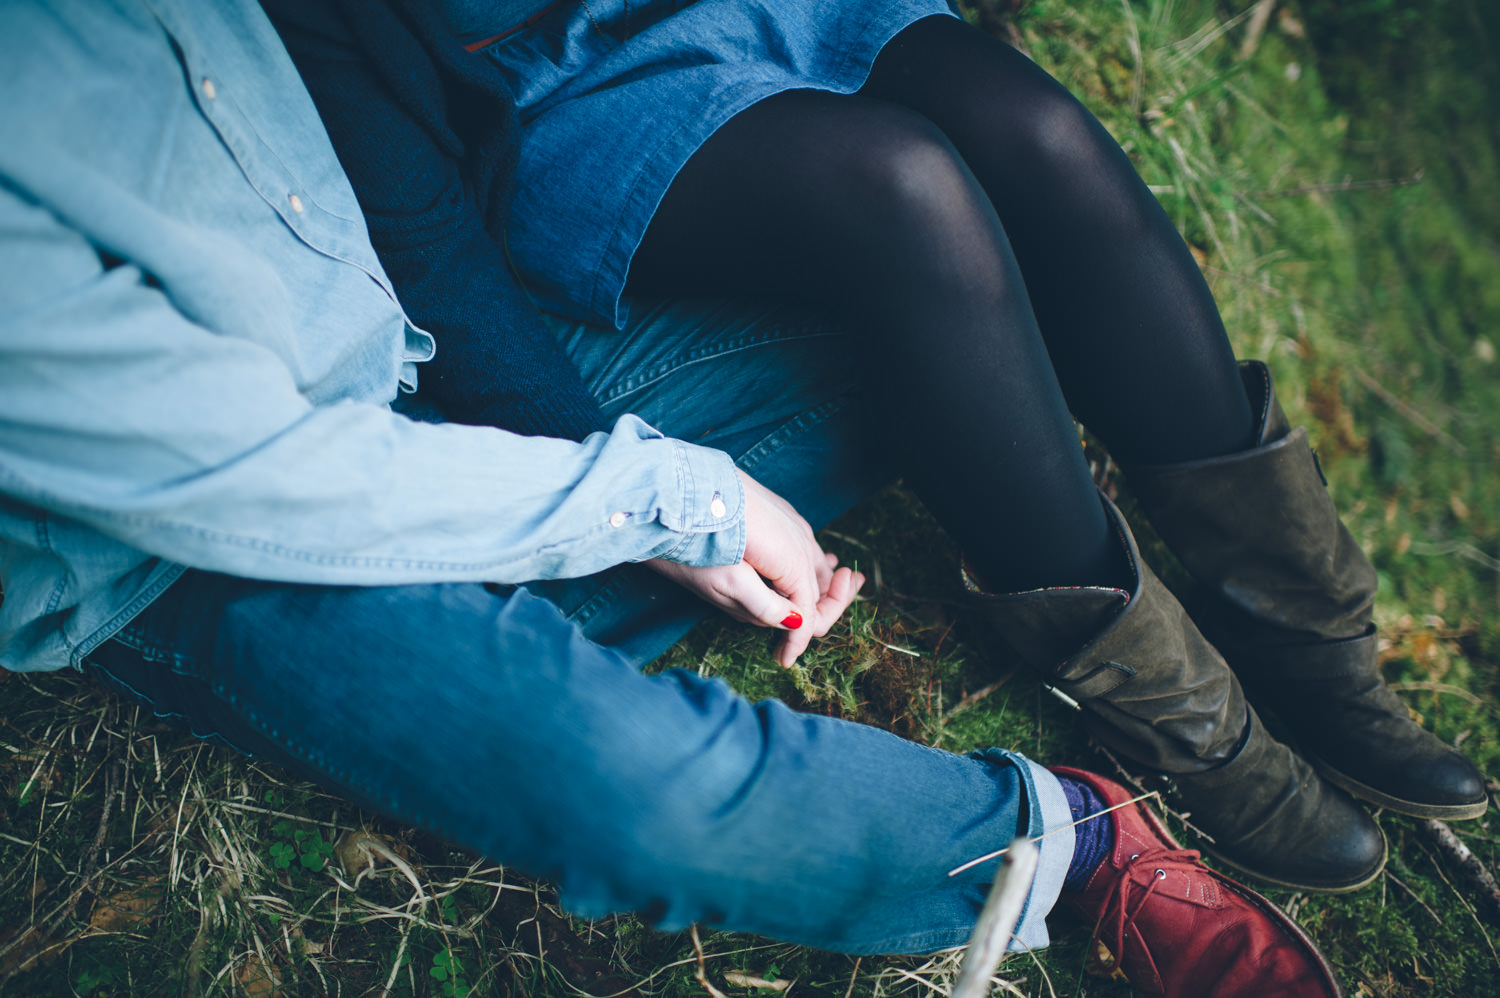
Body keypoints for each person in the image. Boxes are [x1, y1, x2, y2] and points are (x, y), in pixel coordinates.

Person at [0, 1, 1354, 995]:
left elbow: (362, 157)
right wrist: (668, 501)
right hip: (195, 547)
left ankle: (1271, 651)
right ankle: (1062, 840)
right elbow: (283, 483)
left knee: (912, 315)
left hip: (390, 358)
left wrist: (631, 485)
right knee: (633, 785)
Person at [262, 0, 1484, 898]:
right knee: (905, 192)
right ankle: (1174, 713)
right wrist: (616, 483)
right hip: (544, 90)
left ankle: (1307, 628)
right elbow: (414, 224)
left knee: (1038, 129)